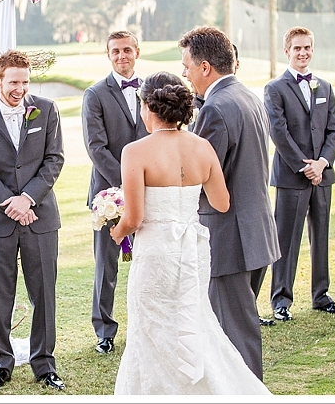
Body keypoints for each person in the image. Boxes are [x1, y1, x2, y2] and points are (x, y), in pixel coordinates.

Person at [110, 72, 270, 395]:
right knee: (196, 323)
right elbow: (222, 203)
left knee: (151, 329)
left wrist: (117, 232)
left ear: (148, 106)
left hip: (156, 253)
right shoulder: (203, 147)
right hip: (193, 250)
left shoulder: (135, 152)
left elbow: (135, 217)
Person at [180, 26, 280, 380]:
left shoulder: (215, 109)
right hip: (256, 232)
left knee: (234, 335)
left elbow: (205, 177)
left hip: (228, 237)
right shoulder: (247, 96)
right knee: (238, 327)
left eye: (187, 66)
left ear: (205, 67)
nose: (185, 74)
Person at [0, 49, 66, 391]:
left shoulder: (47, 110)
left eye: (25, 82)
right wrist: (10, 202)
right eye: (13, 82)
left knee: (44, 293)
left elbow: (54, 159)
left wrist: (28, 199)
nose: (20, 89)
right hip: (0, 219)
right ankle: (0, 363)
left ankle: (44, 364)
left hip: (40, 215)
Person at [264, 26, 335, 323]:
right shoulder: (275, 88)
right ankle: (281, 300)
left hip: (322, 176)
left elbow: (334, 129)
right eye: (297, 48)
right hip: (292, 176)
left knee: (321, 236)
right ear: (287, 51)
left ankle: (321, 295)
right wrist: (305, 165)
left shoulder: (324, 87)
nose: (303, 53)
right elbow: (279, 132)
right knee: (286, 240)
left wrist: (322, 163)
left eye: (307, 47)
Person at [81, 30, 149, 354]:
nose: (122, 56)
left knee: (147, 261)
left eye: (127, 50)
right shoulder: (95, 94)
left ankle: (145, 326)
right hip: (108, 195)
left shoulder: (151, 90)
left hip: (149, 190)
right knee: (107, 266)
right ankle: (105, 332)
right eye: (115, 51)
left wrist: (144, 183)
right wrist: (125, 185)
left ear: (137, 51)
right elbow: (96, 147)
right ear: (108, 55)